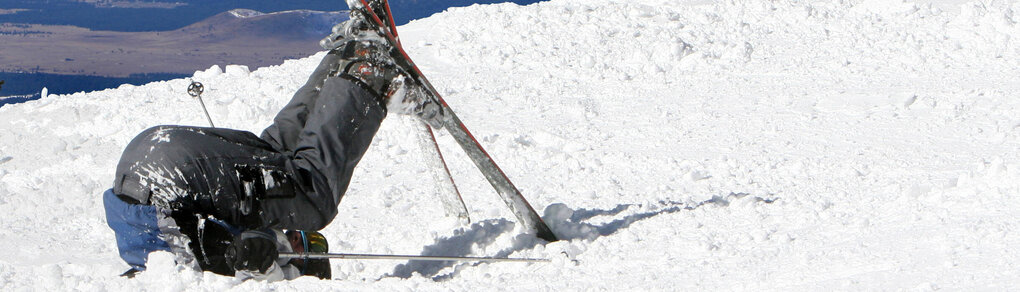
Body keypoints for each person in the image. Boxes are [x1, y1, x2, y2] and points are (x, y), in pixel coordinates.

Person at [103, 14, 444, 280]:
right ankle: (350, 56)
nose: (298, 236)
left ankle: (370, 77)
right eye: (306, 240)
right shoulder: (164, 264)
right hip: (148, 162)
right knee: (275, 160)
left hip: (170, 182)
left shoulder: (246, 260)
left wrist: (245, 256)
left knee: (313, 197)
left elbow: (205, 247)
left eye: (303, 243)